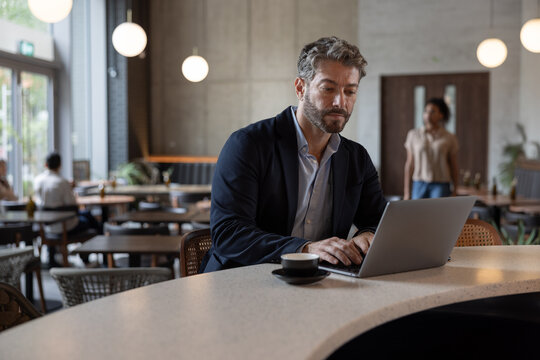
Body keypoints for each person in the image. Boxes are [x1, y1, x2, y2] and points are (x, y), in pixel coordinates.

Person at [202, 36, 387, 273]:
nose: (340, 101)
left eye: (350, 91)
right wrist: (304, 249)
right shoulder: (248, 145)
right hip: (242, 281)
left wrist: (367, 234)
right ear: (301, 88)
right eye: (328, 89)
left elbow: (378, 219)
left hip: (319, 284)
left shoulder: (356, 158)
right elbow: (229, 234)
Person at [34, 152, 100, 266]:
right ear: (60, 165)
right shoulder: (62, 182)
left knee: (86, 214)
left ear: (46, 164)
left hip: (45, 227)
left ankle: (52, 257)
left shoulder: (38, 180)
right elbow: (73, 206)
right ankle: (88, 256)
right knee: (89, 220)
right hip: (64, 226)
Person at [403, 98, 459, 200]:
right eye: (426, 111)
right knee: (417, 214)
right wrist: (406, 192)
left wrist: (455, 189)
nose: (428, 114)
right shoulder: (413, 135)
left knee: (439, 215)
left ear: (441, 115)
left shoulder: (449, 137)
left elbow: (453, 165)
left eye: (432, 111)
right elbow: (409, 164)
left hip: (441, 185)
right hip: (419, 184)